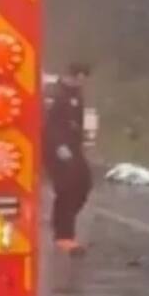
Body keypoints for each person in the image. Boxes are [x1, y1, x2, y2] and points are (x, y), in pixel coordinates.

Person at [44, 63, 93, 254]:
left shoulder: (76, 94)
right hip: (55, 149)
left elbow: (76, 122)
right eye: (79, 79)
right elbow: (47, 123)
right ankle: (64, 235)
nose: (81, 83)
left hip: (73, 147)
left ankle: (62, 222)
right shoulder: (54, 93)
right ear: (71, 76)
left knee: (84, 184)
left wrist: (81, 142)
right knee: (67, 189)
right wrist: (58, 145)